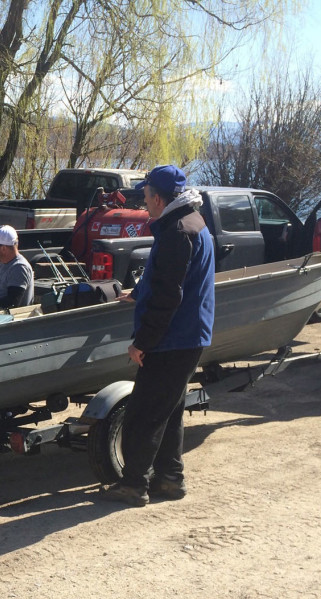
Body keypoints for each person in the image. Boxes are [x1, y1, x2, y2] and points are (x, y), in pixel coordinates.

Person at [101, 164, 216, 507]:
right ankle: (170, 479)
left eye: (147, 194)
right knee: (170, 410)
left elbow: (169, 295)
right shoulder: (191, 223)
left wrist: (143, 343)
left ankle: (134, 484)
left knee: (144, 413)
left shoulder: (178, 232)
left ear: (158, 198)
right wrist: (139, 291)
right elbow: (171, 278)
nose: (145, 201)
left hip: (172, 339)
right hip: (188, 336)